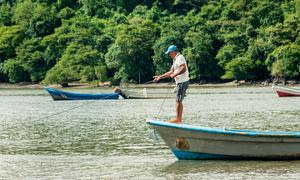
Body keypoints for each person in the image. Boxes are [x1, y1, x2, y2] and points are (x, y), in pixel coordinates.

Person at [153, 45, 189, 124]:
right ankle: (179, 119)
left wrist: (175, 75)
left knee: (178, 100)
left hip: (183, 82)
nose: (169, 55)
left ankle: (178, 119)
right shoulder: (175, 59)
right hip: (179, 82)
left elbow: (183, 68)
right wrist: (160, 77)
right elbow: (171, 72)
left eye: (169, 53)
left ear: (173, 52)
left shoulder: (180, 57)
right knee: (179, 100)